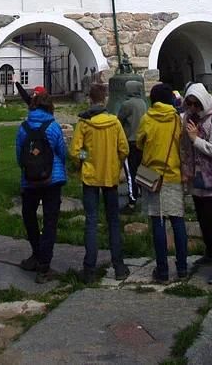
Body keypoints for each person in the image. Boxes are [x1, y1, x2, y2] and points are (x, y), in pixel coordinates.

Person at [69, 83, 130, 282]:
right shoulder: (114, 122)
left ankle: (89, 270)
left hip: (90, 177)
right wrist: (115, 163)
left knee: (91, 222)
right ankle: (119, 266)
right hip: (110, 178)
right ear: (104, 99)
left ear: (90, 99)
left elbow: (75, 152)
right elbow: (124, 149)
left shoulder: (84, 124)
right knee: (113, 222)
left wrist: (86, 158)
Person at [135, 83, 188, 283]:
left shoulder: (147, 119)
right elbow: (181, 142)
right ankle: (182, 268)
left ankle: (162, 270)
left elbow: (140, 142)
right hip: (173, 173)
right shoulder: (176, 119)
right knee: (178, 221)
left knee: (157, 222)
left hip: (152, 176)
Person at [16, 91, 68, 283]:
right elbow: (62, 152)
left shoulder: (23, 127)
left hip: (29, 180)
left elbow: (19, 154)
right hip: (51, 181)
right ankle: (44, 266)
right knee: (50, 221)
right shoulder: (53, 126)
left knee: (29, 217)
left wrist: (28, 168)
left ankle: (36, 253)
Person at [183, 82, 212, 284]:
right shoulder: (188, 118)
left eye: (197, 105)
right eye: (190, 104)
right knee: (203, 220)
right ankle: (210, 254)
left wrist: (195, 139)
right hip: (197, 179)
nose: (193, 109)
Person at [116, 78, 149, 211]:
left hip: (130, 141)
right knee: (142, 168)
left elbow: (119, 120)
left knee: (130, 171)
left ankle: (132, 200)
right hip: (142, 140)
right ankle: (143, 192)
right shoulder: (143, 103)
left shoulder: (127, 104)